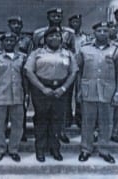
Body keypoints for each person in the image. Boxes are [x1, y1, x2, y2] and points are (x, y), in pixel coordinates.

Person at [77, 22, 118, 164]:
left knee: (106, 123)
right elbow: (78, 71)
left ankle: (104, 150)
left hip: (108, 92)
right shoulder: (84, 49)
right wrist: (79, 89)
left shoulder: (117, 50)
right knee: (88, 122)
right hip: (89, 90)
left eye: (105, 30)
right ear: (94, 32)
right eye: (99, 30)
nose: (102, 33)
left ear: (110, 32)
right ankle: (85, 149)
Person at [25, 27, 78, 162]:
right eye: (51, 36)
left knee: (57, 120)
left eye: (57, 36)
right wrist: (42, 88)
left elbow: (73, 72)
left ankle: (55, 149)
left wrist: (64, 88)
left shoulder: (67, 53)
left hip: (61, 90)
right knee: (41, 119)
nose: (55, 38)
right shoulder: (37, 53)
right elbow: (29, 71)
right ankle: (40, 149)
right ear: (45, 39)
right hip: (41, 90)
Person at [33, 7, 75, 143]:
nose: (56, 18)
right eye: (53, 16)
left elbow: (72, 51)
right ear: (48, 17)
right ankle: (42, 135)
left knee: (63, 105)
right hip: (44, 74)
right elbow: (36, 50)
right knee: (42, 109)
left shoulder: (69, 33)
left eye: (58, 16)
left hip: (63, 73)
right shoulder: (39, 33)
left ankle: (60, 132)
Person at [0, 32, 27, 162]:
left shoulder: (22, 57)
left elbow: (25, 78)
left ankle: (13, 149)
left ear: (15, 42)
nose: (9, 43)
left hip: (18, 96)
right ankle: (1, 149)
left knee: (18, 125)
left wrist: (26, 95)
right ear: (2, 43)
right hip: (0, 95)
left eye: (11, 41)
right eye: (6, 41)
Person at [7, 16, 33, 142]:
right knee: (5, 105)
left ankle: (21, 132)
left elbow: (31, 55)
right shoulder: (3, 38)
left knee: (21, 105)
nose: (16, 26)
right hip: (6, 73)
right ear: (9, 25)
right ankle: (7, 131)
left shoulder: (27, 40)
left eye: (18, 24)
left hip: (22, 74)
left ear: (22, 26)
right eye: (13, 23)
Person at [67, 14, 90, 129]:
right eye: (73, 22)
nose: (75, 24)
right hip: (68, 68)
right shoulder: (65, 36)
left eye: (77, 21)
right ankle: (67, 118)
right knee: (67, 94)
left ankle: (79, 118)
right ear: (69, 23)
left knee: (80, 93)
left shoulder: (86, 37)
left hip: (82, 68)